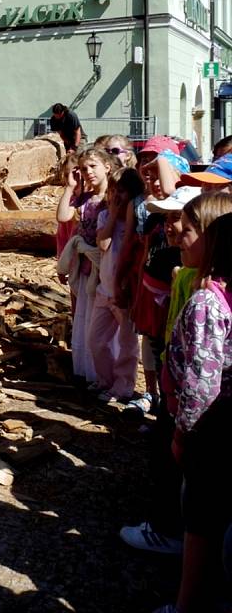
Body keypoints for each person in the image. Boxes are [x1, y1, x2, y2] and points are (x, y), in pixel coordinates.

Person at [154, 209, 232, 613]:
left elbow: (202, 383)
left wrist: (184, 434)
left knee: (201, 521)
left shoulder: (208, 302)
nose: (180, 234)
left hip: (211, 433)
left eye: (191, 229)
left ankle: (188, 606)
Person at [56, 147, 114, 382]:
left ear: (107, 167)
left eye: (93, 166)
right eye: (84, 168)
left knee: (101, 326)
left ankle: (105, 374)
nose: (88, 172)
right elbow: (62, 216)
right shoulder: (85, 199)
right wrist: (70, 186)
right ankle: (88, 371)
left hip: (105, 268)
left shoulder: (113, 198)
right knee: (85, 320)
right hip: (87, 268)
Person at [87, 167, 144, 402]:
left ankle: (123, 386)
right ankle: (106, 379)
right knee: (96, 340)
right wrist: (112, 214)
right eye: (113, 191)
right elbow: (103, 244)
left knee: (127, 344)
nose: (117, 195)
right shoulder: (104, 217)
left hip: (127, 294)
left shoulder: (138, 220)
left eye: (122, 191)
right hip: (105, 289)